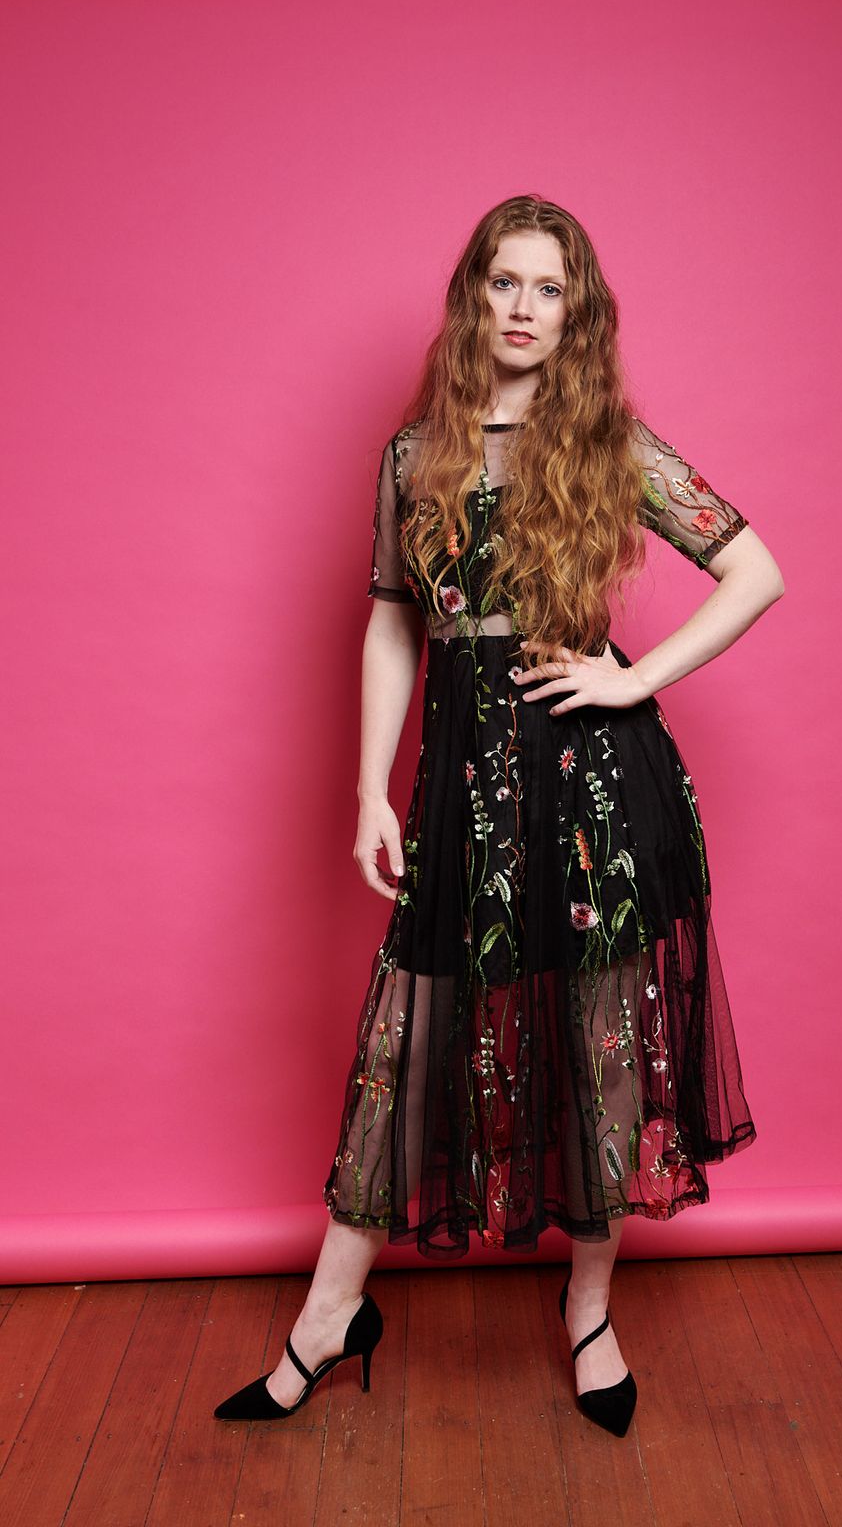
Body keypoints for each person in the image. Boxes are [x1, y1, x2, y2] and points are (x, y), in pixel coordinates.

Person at [215, 195, 785, 1438]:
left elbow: (756, 569)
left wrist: (633, 678)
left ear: (577, 313)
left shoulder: (609, 443)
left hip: (593, 793)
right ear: (473, 295)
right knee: (411, 1043)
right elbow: (391, 619)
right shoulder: (412, 454)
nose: (524, 308)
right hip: (458, 790)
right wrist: (368, 788)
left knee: (599, 1044)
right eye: (504, 282)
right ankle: (329, 1316)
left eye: (549, 289)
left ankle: (589, 1311)